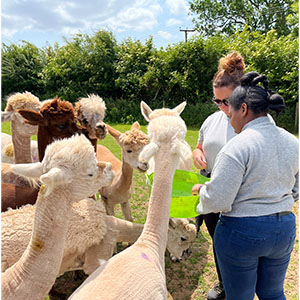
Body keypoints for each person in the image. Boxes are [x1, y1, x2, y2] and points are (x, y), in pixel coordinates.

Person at [193, 71, 298, 300]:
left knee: (239, 295)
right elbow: (296, 190)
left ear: (243, 109)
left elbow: (219, 200)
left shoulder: (236, 147)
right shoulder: (293, 142)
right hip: (283, 229)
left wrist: (203, 192)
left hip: (241, 232)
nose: (230, 120)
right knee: (273, 293)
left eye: (230, 113)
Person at [192, 51, 245, 300]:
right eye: (217, 101)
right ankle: (225, 282)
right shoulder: (211, 120)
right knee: (218, 242)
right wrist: (197, 153)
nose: (222, 107)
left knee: (238, 246)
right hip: (211, 188)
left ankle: (240, 287)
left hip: (239, 194)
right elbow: (200, 145)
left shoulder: (249, 121)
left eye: (227, 101)